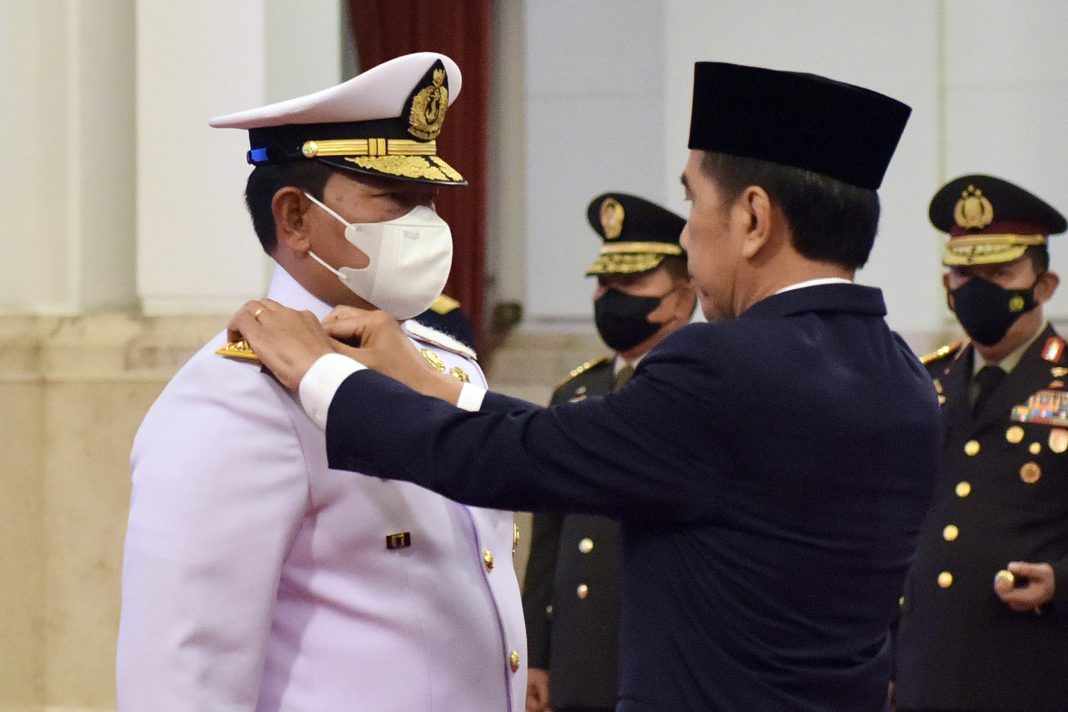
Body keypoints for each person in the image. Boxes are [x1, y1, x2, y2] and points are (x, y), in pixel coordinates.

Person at [231, 61, 941, 710]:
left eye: (693, 203)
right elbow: (581, 443)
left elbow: (519, 461)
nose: (689, 239)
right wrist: (426, 380)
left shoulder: (727, 369)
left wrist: (324, 372)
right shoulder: (902, 377)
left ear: (752, 219)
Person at [116, 53, 526, 712]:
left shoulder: (446, 365)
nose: (425, 226)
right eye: (394, 200)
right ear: (295, 218)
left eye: (428, 202)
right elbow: (184, 673)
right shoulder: (235, 401)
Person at [893, 174, 1068, 712]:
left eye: (999, 272)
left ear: (1044, 285)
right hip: (926, 669)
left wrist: (1062, 581)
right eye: (964, 272)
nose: (977, 288)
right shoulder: (922, 384)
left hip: (1032, 671)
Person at [523, 193, 696, 712]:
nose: (609, 297)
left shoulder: (705, 393)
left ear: (682, 299)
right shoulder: (577, 394)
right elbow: (548, 542)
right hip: (579, 657)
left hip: (667, 656)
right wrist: (537, 652)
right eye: (604, 284)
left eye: (631, 285)